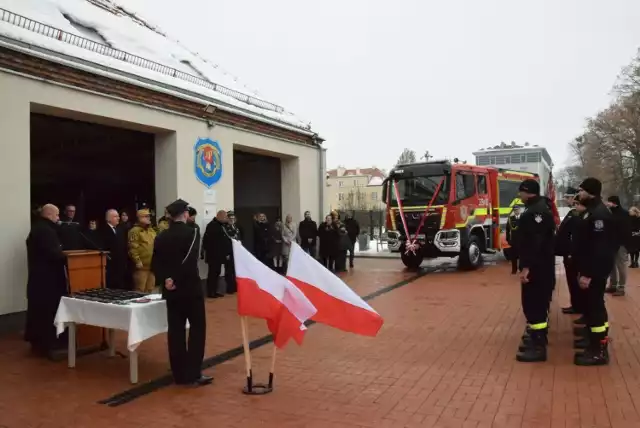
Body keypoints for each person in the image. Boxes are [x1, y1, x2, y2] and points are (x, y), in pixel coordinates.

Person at [151, 199, 211, 386]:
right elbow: (189, 260)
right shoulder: (192, 232)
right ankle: (193, 373)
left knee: (175, 331)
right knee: (197, 329)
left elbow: (155, 263)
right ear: (185, 214)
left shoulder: (161, 236)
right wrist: (175, 279)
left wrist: (166, 280)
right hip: (190, 289)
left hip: (171, 291)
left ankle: (178, 373)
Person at [572, 178, 615, 365]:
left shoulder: (598, 215)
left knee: (595, 308)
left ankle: (598, 350)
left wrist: (588, 273)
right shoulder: (592, 211)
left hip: (595, 271)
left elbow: (599, 249)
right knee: (592, 307)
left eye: (581, 190)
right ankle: (594, 342)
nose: (579, 194)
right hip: (591, 269)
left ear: (590, 192)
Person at [515, 179, 556, 363]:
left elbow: (534, 244)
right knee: (536, 304)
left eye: (520, 192)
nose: (519, 195)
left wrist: (526, 267)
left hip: (537, 268)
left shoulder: (534, 213)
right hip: (541, 266)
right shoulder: (538, 208)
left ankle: (538, 348)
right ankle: (536, 339)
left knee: (534, 305)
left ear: (527, 192)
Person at [24, 204, 68, 358]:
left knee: (38, 310)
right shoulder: (46, 231)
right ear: (49, 215)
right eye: (57, 215)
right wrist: (65, 256)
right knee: (46, 311)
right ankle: (48, 344)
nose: (58, 219)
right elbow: (54, 253)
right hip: (47, 281)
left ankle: (38, 342)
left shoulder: (38, 228)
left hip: (38, 278)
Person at [555, 187, 582, 315]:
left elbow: (575, 236)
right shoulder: (572, 212)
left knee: (574, 281)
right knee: (571, 281)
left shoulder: (576, 214)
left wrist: (571, 252)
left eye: (567, 197)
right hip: (568, 252)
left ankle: (578, 306)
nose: (565, 199)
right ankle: (575, 304)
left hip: (572, 254)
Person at [202, 210, 233, 298]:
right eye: (225, 217)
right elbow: (210, 242)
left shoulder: (222, 225)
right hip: (213, 255)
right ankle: (210, 292)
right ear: (219, 216)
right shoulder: (212, 226)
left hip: (219, 255)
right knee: (213, 273)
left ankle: (215, 290)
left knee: (217, 273)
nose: (226, 219)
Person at [605, 196, 630, 296]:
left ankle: (621, 287)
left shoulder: (624, 213)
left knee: (621, 266)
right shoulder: (609, 213)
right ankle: (613, 285)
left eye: (609, 202)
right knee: (611, 266)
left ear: (614, 203)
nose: (607, 204)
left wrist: (624, 243)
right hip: (611, 243)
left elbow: (626, 230)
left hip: (621, 244)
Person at [128, 209, 157, 293]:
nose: (148, 218)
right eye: (146, 216)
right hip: (141, 267)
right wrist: (137, 261)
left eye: (149, 216)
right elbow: (132, 247)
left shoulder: (151, 230)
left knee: (150, 288)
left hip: (152, 266)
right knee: (140, 289)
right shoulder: (135, 231)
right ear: (139, 218)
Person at [101, 209, 129, 289]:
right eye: (115, 216)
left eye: (118, 216)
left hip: (121, 265)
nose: (118, 218)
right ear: (108, 219)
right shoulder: (103, 230)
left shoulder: (120, 230)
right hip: (110, 265)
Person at [506, 206, 522, 275]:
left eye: (517, 210)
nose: (516, 211)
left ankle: (521, 269)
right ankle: (514, 270)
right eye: (515, 210)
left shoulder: (523, 218)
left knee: (522, 256)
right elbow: (507, 229)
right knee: (513, 256)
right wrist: (508, 239)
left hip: (522, 240)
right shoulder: (510, 219)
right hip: (514, 240)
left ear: (520, 210)